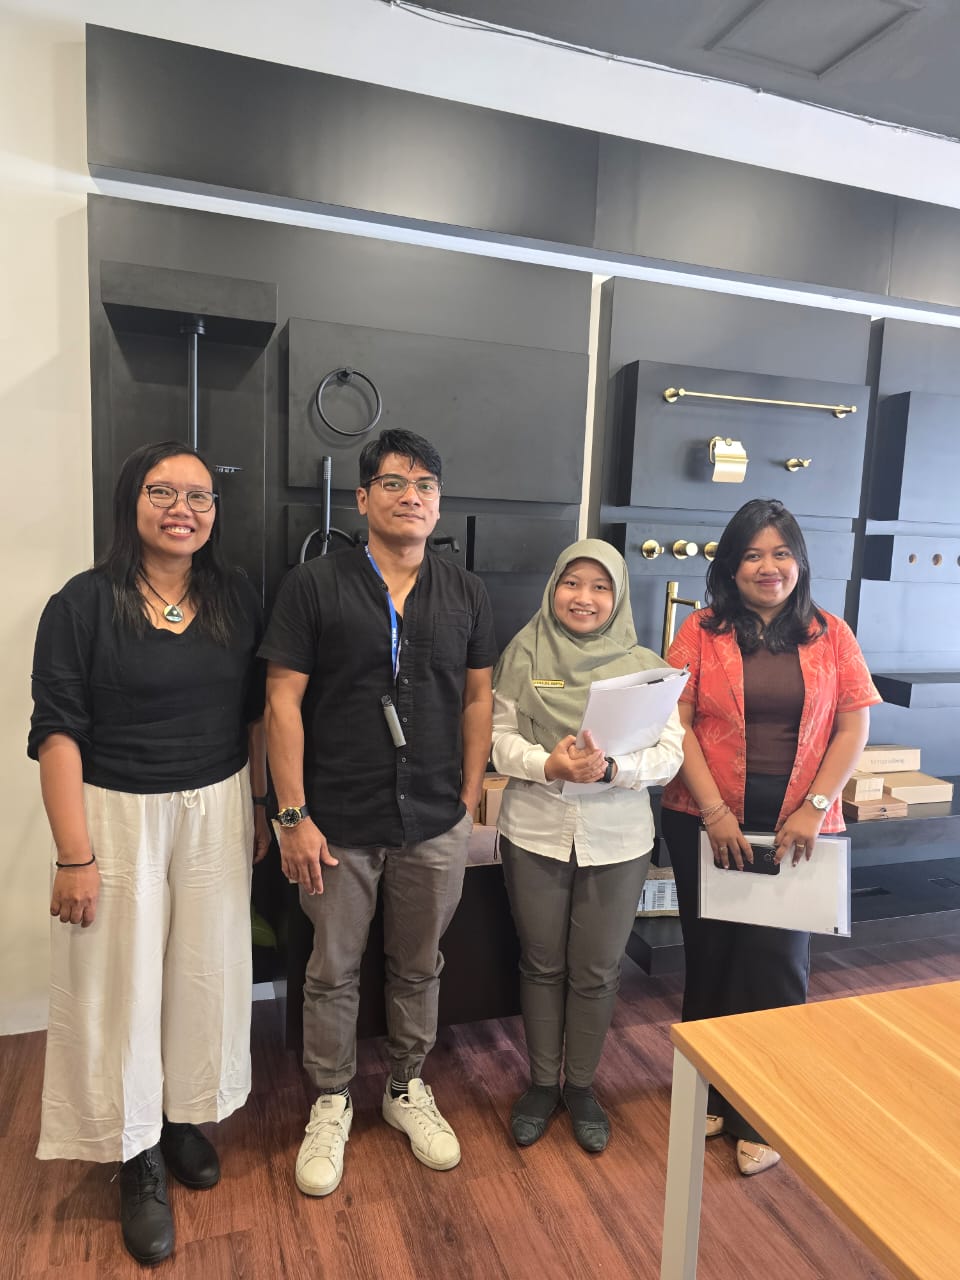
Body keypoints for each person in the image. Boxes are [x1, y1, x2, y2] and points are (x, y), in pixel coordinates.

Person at [28, 441, 270, 1265]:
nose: (183, 510)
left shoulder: (235, 597)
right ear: (130, 501)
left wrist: (260, 803)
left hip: (217, 805)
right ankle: (133, 1153)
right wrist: (74, 856)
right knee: (119, 986)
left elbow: (253, 716)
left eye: (200, 496)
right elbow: (57, 731)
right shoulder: (82, 603)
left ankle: (178, 1116)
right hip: (117, 812)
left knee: (203, 973)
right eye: (163, 492)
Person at [260, 428, 496, 1198]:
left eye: (425, 485)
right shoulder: (313, 586)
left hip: (433, 820)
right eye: (394, 483)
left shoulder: (465, 591)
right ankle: (331, 1099)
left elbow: (479, 697)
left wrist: (469, 796)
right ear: (363, 499)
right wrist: (291, 814)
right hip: (336, 820)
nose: (411, 497)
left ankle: (404, 1086)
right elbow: (282, 702)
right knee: (331, 969)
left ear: (439, 504)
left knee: (419, 963)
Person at [661, 498, 880, 1176]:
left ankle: (765, 1109)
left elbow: (854, 724)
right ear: (731, 566)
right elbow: (677, 721)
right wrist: (714, 811)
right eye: (752, 554)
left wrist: (815, 806)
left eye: (781, 553)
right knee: (711, 955)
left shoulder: (831, 633)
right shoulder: (700, 631)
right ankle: (709, 1092)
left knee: (777, 961)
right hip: (704, 818)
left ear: (799, 562)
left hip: (797, 825)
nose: (768, 566)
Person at [491, 539, 684, 1152]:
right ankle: (540, 1084)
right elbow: (496, 739)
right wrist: (547, 763)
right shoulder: (522, 652)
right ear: (554, 587)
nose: (584, 597)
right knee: (540, 962)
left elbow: (670, 754)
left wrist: (614, 770)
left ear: (618, 596)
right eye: (572, 582)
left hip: (619, 839)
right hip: (534, 830)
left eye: (601, 587)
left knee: (597, 970)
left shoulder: (646, 667)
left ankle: (580, 1087)